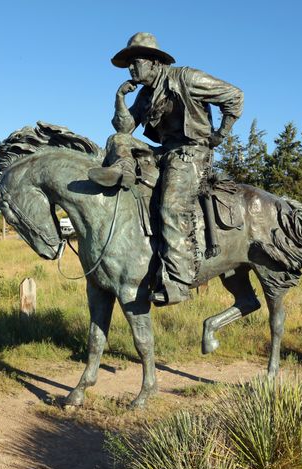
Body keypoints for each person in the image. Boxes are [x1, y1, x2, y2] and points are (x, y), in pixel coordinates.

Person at [90, 32, 244, 305]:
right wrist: (119, 99)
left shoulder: (187, 78)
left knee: (171, 206)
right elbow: (125, 129)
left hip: (192, 153)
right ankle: (123, 170)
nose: (131, 68)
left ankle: (178, 282)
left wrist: (220, 134)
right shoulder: (146, 95)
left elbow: (235, 96)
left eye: (135, 62)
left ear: (153, 62)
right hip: (164, 152)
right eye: (129, 64)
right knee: (117, 140)